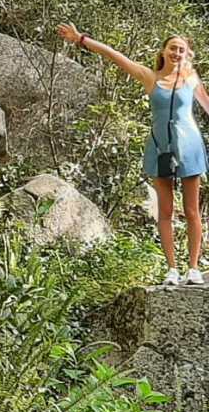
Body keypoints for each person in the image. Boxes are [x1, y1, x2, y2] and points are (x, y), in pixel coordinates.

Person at [58, 24, 209, 285]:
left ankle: (193, 267)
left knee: (192, 211)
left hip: (190, 149)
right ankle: (172, 268)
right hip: (161, 148)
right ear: (163, 51)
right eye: (173, 48)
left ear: (187, 54)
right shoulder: (151, 77)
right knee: (165, 211)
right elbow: (116, 56)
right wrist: (81, 39)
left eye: (182, 50)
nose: (177, 53)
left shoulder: (191, 78)